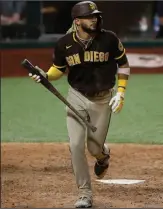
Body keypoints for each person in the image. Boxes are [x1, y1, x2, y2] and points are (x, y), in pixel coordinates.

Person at [28, 1, 130, 208]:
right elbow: (58, 69)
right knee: (75, 146)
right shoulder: (65, 43)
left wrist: (120, 93)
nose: (95, 19)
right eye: (90, 17)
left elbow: (124, 64)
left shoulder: (109, 39)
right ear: (77, 21)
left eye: (96, 16)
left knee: (94, 147)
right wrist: (46, 75)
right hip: (76, 96)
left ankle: (103, 156)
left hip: (102, 99)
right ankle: (85, 193)